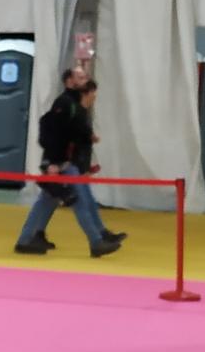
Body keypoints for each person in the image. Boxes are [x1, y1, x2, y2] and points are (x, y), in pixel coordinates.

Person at [15, 79, 125, 258]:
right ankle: (96, 241)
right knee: (79, 200)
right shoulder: (66, 106)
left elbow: (74, 142)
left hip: (65, 164)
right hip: (61, 164)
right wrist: (52, 163)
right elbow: (55, 137)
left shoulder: (74, 109)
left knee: (47, 201)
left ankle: (27, 238)